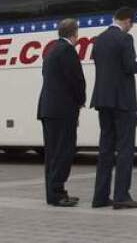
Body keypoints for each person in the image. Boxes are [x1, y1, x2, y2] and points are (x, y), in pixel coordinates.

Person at [90, 6, 137, 209]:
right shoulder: (125, 39)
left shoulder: (99, 39)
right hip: (123, 101)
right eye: (131, 24)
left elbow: (107, 67)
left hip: (103, 100)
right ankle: (121, 196)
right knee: (125, 149)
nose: (131, 28)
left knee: (105, 149)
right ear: (127, 21)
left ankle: (100, 197)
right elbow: (129, 66)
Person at [38, 18, 87, 206]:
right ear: (74, 33)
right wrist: (80, 101)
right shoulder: (67, 51)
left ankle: (54, 192)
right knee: (63, 152)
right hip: (62, 111)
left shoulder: (51, 50)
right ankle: (57, 193)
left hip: (48, 109)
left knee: (52, 154)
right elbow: (76, 80)